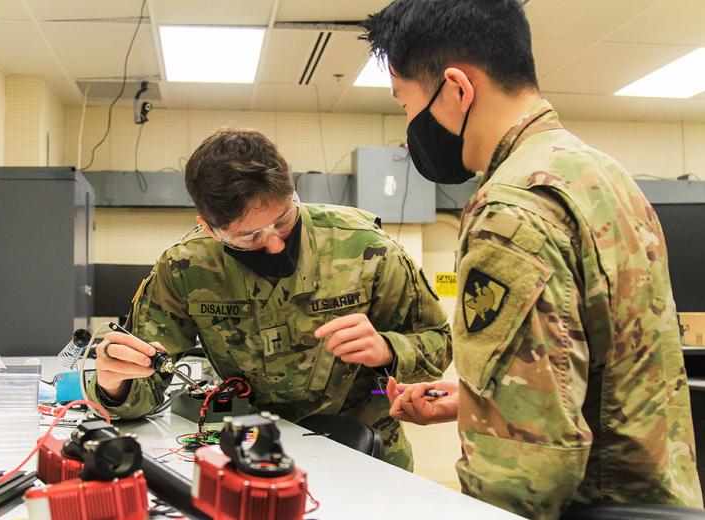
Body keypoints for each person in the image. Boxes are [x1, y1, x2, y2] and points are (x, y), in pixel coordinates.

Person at [362, 0, 702, 517]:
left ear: (457, 89)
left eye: (405, 104)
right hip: (651, 495)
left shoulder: (510, 209)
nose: (409, 128)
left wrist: (502, 432)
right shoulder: (598, 172)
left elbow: (524, 466)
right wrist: (480, 401)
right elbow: (602, 362)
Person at [85, 128, 451, 471]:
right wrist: (114, 384)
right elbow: (147, 383)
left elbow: (439, 344)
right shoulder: (185, 268)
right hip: (253, 454)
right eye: (249, 236)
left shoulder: (366, 248)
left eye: (284, 220)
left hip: (366, 455)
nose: (274, 243)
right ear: (210, 228)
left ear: (292, 193)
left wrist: (387, 349)